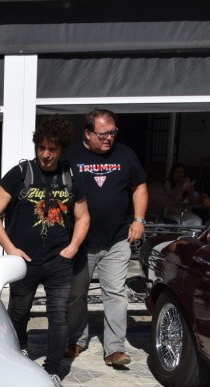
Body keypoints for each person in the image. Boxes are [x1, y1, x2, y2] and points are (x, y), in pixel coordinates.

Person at [0, 115, 89, 387]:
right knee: (19, 312)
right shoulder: (20, 173)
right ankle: (17, 358)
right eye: (41, 147)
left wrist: (73, 247)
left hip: (58, 262)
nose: (45, 154)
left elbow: (83, 217)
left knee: (59, 316)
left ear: (61, 149)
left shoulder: (71, 176)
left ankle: (53, 371)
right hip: (24, 262)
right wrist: (10, 248)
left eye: (52, 149)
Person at [65, 108, 147, 368]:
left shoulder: (126, 154)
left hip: (117, 239)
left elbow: (140, 187)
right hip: (81, 241)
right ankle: (76, 339)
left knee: (115, 293)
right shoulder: (71, 157)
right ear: (88, 133)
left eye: (112, 132)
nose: (109, 138)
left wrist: (139, 219)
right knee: (76, 294)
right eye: (103, 134)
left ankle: (114, 349)